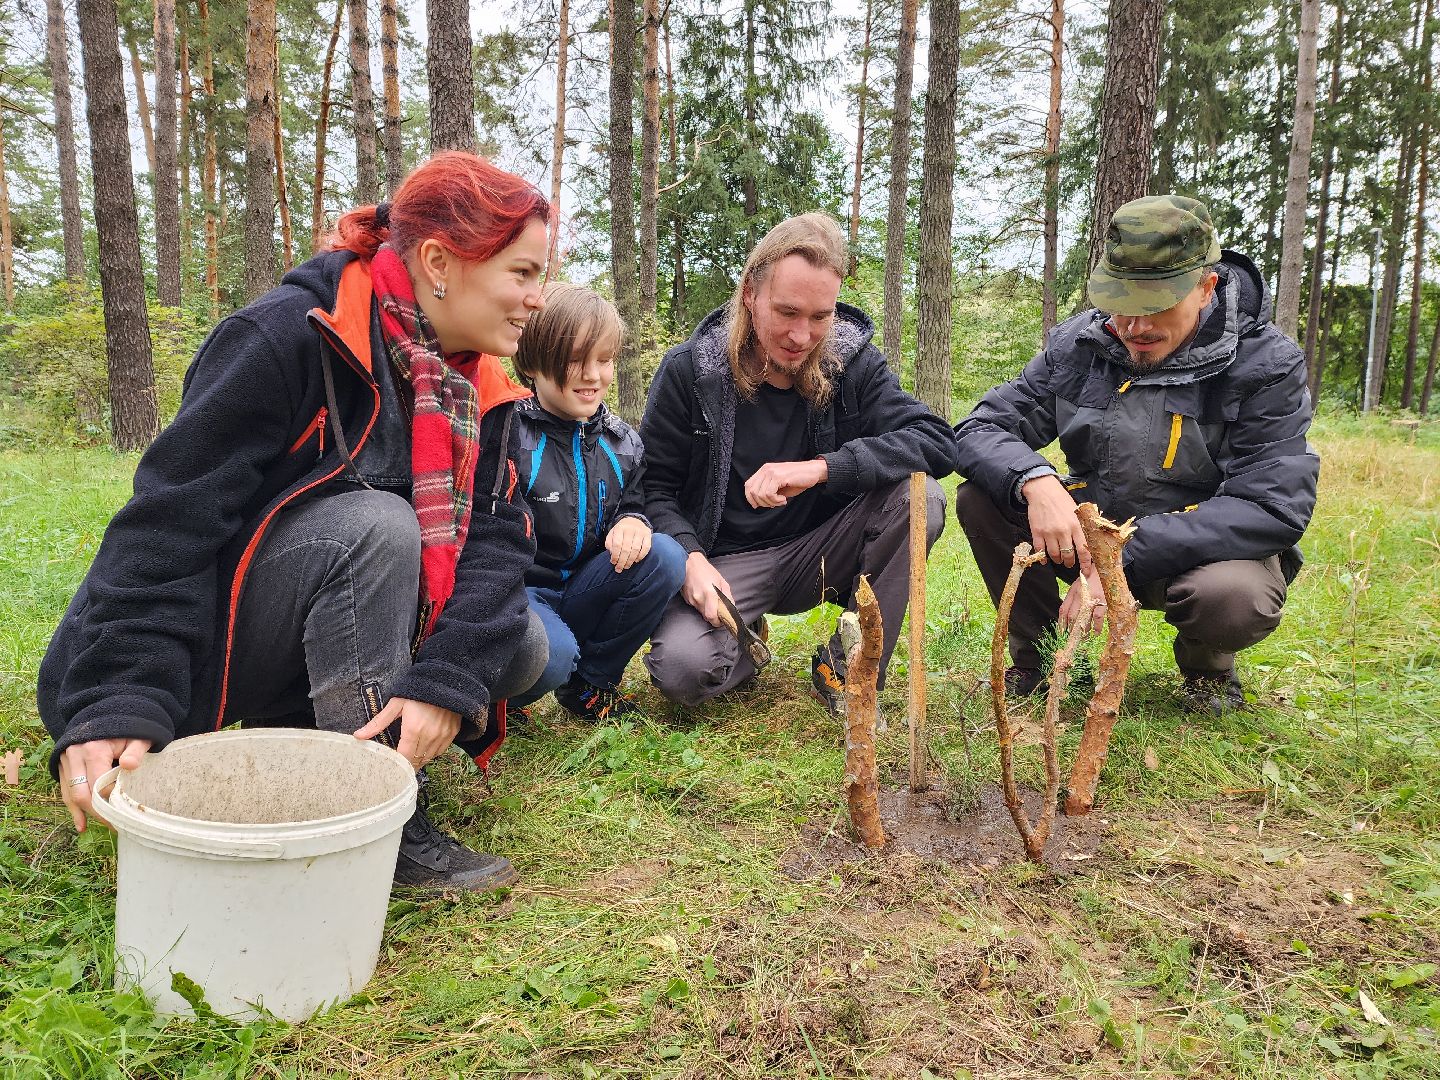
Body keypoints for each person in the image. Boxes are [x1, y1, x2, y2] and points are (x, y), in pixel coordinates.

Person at [38, 152, 554, 891]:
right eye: (523, 273)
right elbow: (168, 524)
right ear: (441, 261)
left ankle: (340, 729)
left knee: (519, 648)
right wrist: (119, 693)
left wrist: (444, 681)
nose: (539, 298)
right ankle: (372, 807)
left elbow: (498, 545)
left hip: (319, 612)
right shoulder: (287, 336)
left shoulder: (483, 385)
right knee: (378, 525)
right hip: (191, 652)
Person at [952, 195, 1319, 714]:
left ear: (1205, 286)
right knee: (982, 497)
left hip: (1195, 551)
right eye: (1120, 305)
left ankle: (1208, 672)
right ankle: (1044, 660)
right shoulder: (1078, 345)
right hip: (1092, 526)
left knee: (1234, 596)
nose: (1133, 327)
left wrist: (1119, 557)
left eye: (1155, 308)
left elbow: (1272, 505)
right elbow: (978, 427)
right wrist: (1036, 480)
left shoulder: (1264, 364)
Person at [639, 213, 959, 712]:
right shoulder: (692, 371)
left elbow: (937, 442)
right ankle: (747, 636)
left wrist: (822, 468)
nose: (801, 334)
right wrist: (690, 559)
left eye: (819, 316)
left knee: (921, 500)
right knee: (682, 671)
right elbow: (652, 486)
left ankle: (847, 666)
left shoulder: (851, 363)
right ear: (750, 293)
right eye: (786, 312)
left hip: (822, 550)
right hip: (724, 562)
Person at [505, 283, 686, 722]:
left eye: (603, 360)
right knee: (552, 656)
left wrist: (633, 520)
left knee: (664, 554)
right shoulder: (508, 435)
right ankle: (504, 698)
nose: (592, 375)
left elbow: (634, 500)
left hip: (586, 586)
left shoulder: (622, 442)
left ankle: (591, 683)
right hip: (522, 594)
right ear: (532, 361)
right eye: (574, 360)